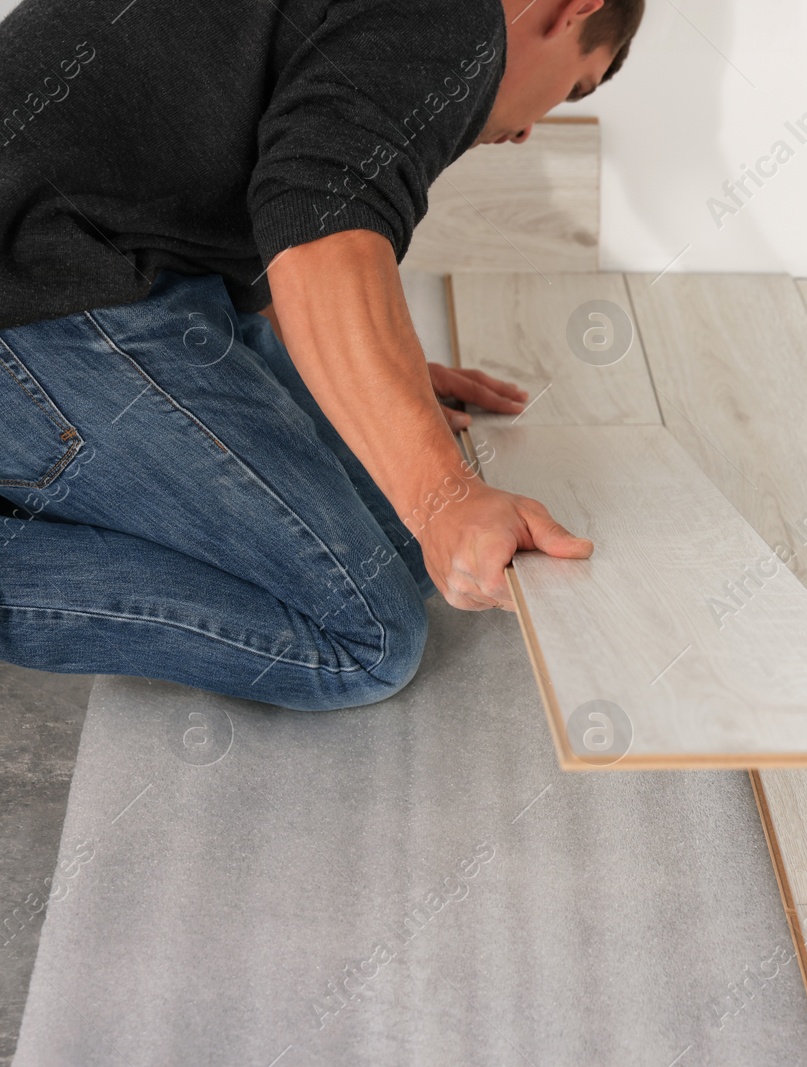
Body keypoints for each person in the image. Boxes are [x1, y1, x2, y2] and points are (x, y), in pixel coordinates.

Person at [0, 0, 645, 709]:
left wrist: (382, 376)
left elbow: (279, 205)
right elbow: (321, 218)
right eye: (577, 86)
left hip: (107, 269)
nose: (527, 130)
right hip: (38, 295)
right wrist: (443, 495)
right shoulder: (459, 17)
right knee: (365, 638)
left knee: (400, 552)